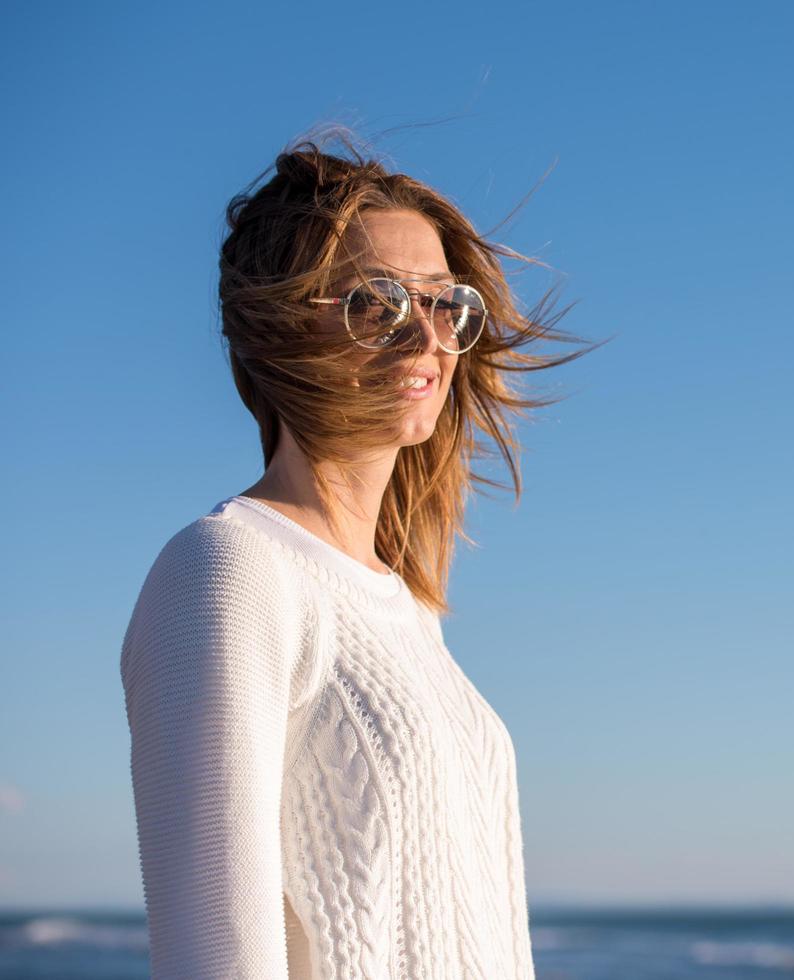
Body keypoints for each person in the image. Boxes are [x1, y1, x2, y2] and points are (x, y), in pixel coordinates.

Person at [118, 130, 597, 979]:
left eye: (447, 305)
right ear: (277, 326)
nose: (428, 339)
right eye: (376, 303)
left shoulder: (403, 610)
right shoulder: (228, 572)